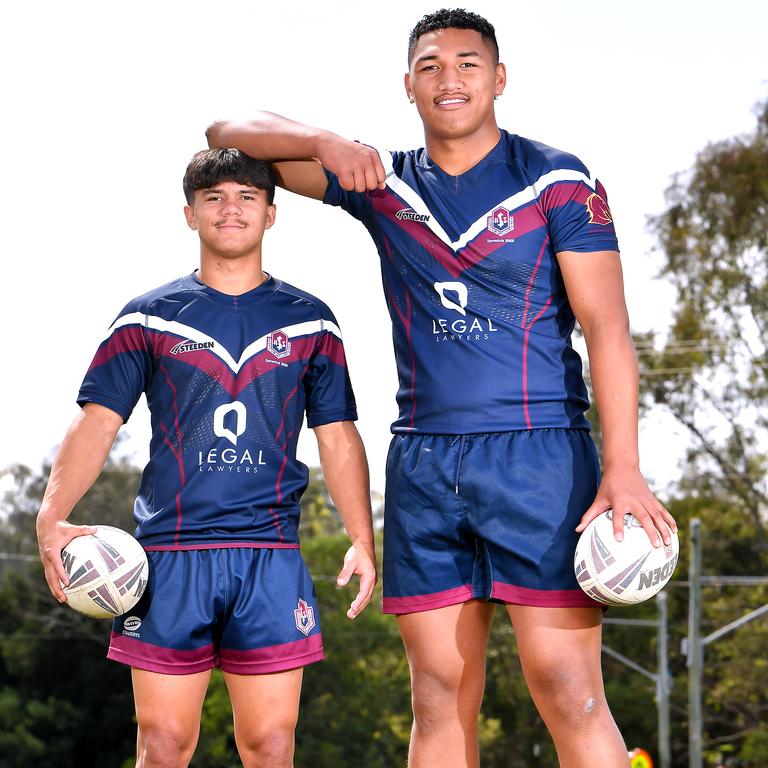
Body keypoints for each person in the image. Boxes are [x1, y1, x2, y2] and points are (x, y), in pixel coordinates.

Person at [205, 9, 678, 767]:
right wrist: (325, 141)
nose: (448, 80)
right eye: (429, 67)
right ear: (407, 86)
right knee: (435, 694)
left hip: (541, 459)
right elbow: (226, 133)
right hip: (423, 462)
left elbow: (608, 331)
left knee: (566, 689)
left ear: (498, 79)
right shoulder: (382, 182)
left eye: (466, 63)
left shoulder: (556, 179)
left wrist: (622, 467)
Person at [36, 148, 376, 768]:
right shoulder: (147, 316)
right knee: (164, 746)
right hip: (169, 556)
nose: (231, 209)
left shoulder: (311, 321)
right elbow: (98, 422)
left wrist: (361, 535)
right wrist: (50, 514)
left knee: (271, 746)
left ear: (271, 214)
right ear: (189, 214)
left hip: (269, 555)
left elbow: (337, 434)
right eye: (214, 197)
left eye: (247, 197)